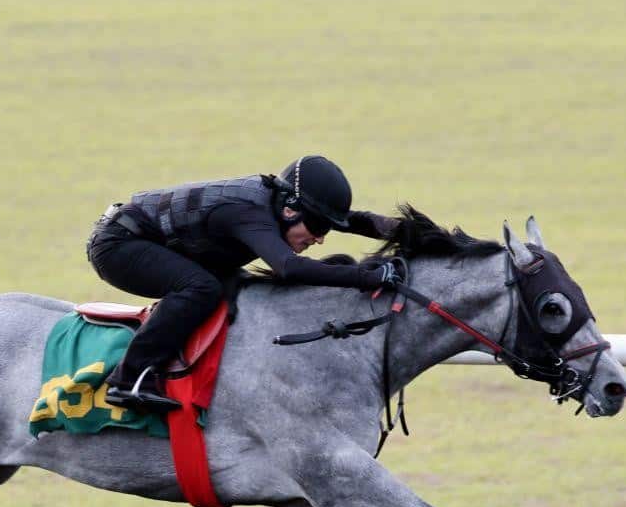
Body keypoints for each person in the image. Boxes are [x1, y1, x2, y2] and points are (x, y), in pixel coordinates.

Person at [86, 155, 402, 413]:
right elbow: (289, 268)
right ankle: (128, 378)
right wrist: (369, 277)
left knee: (230, 284)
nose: (320, 239)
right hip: (118, 246)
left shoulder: (280, 204)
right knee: (202, 287)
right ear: (289, 210)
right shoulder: (249, 214)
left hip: (154, 241)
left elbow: (352, 220)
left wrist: (409, 231)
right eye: (318, 228)